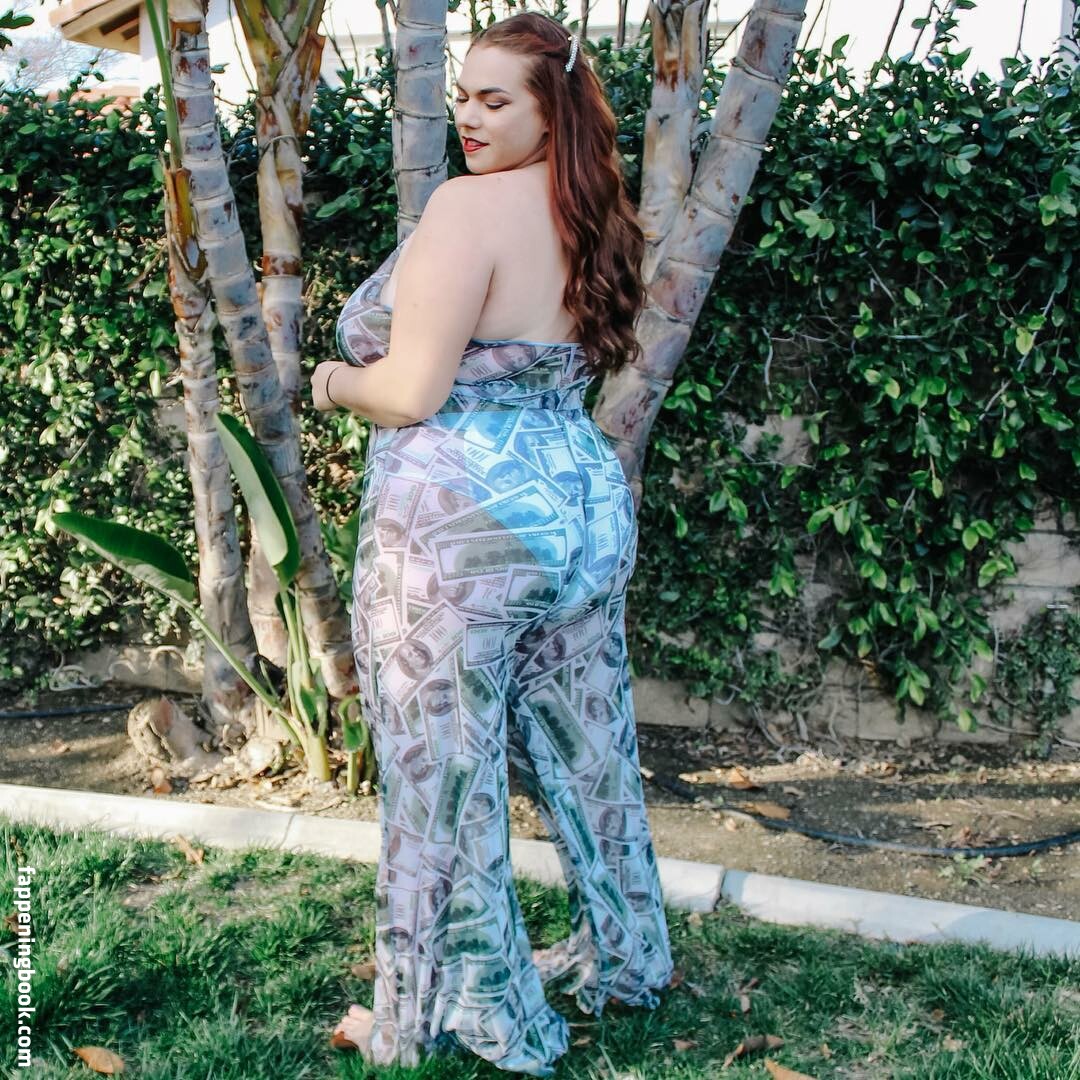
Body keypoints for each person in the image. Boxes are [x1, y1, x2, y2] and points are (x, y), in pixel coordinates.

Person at [311, 11, 674, 1075]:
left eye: (494, 99)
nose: (465, 116)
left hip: (460, 526)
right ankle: (631, 959)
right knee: (594, 754)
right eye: (462, 95)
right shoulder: (596, 210)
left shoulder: (466, 208)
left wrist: (330, 382)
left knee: (442, 779)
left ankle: (447, 1010)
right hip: (579, 506)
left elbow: (410, 391)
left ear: (551, 109)